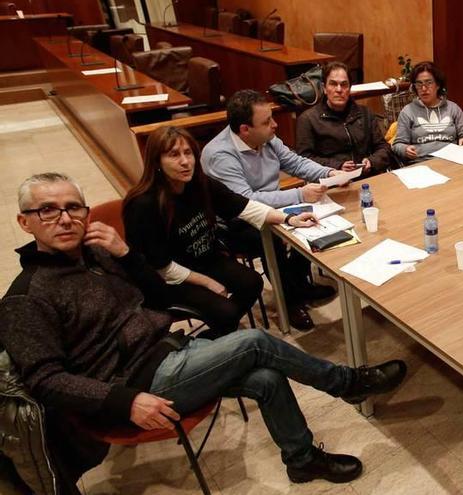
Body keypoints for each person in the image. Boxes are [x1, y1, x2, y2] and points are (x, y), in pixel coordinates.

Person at [0, 172, 408, 489]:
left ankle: (301, 461)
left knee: (265, 376)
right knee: (255, 341)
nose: (66, 218)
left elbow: (158, 298)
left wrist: (126, 256)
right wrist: (125, 401)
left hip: (167, 353)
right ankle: (347, 382)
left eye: (75, 207)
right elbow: (45, 381)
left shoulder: (98, 255)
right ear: (25, 222)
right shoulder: (26, 298)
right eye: (48, 211)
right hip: (134, 386)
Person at [123, 126, 322, 339]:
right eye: (174, 155)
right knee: (224, 310)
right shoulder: (143, 205)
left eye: (188, 153)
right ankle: (207, 342)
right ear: (156, 162)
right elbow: (161, 267)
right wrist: (209, 283)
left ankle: (215, 336)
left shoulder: (198, 183)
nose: (185, 161)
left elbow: (243, 206)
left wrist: (289, 218)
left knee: (252, 283)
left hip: (204, 259)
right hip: (168, 278)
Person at [202, 89, 344, 330]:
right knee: (271, 236)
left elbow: (295, 163)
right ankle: (289, 300)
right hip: (233, 222)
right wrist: (299, 194)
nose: (275, 125)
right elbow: (246, 201)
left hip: (273, 204)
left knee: (316, 217)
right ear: (245, 130)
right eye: (267, 121)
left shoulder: (266, 138)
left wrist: (330, 173)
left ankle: (299, 283)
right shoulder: (220, 155)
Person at [295, 61, 392, 177]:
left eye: (344, 84)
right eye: (333, 84)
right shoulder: (308, 119)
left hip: (366, 177)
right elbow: (304, 159)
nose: (339, 89)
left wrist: (372, 161)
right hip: (331, 180)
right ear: (324, 88)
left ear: (349, 88)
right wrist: (338, 165)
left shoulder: (365, 113)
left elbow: (383, 147)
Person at [391, 61, 463, 164]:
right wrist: (405, 149)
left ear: (438, 85)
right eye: (419, 84)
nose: (424, 88)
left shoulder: (453, 108)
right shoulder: (408, 111)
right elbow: (397, 144)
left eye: (429, 83)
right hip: (421, 163)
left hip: (452, 161)